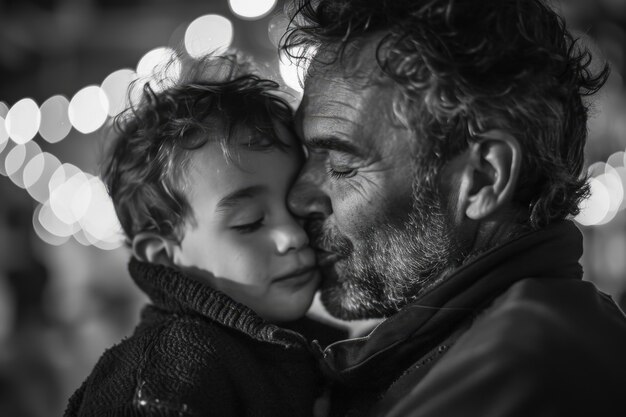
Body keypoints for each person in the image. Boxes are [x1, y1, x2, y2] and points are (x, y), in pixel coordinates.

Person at [281, 0, 626, 415]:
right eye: (305, 154)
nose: (298, 196)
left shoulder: (521, 379)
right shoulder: (482, 346)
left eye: (342, 165)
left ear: (484, 179)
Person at [64, 53, 336, 417]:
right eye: (250, 221)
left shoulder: (312, 343)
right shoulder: (162, 368)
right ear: (164, 254)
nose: (293, 235)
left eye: (296, 204)